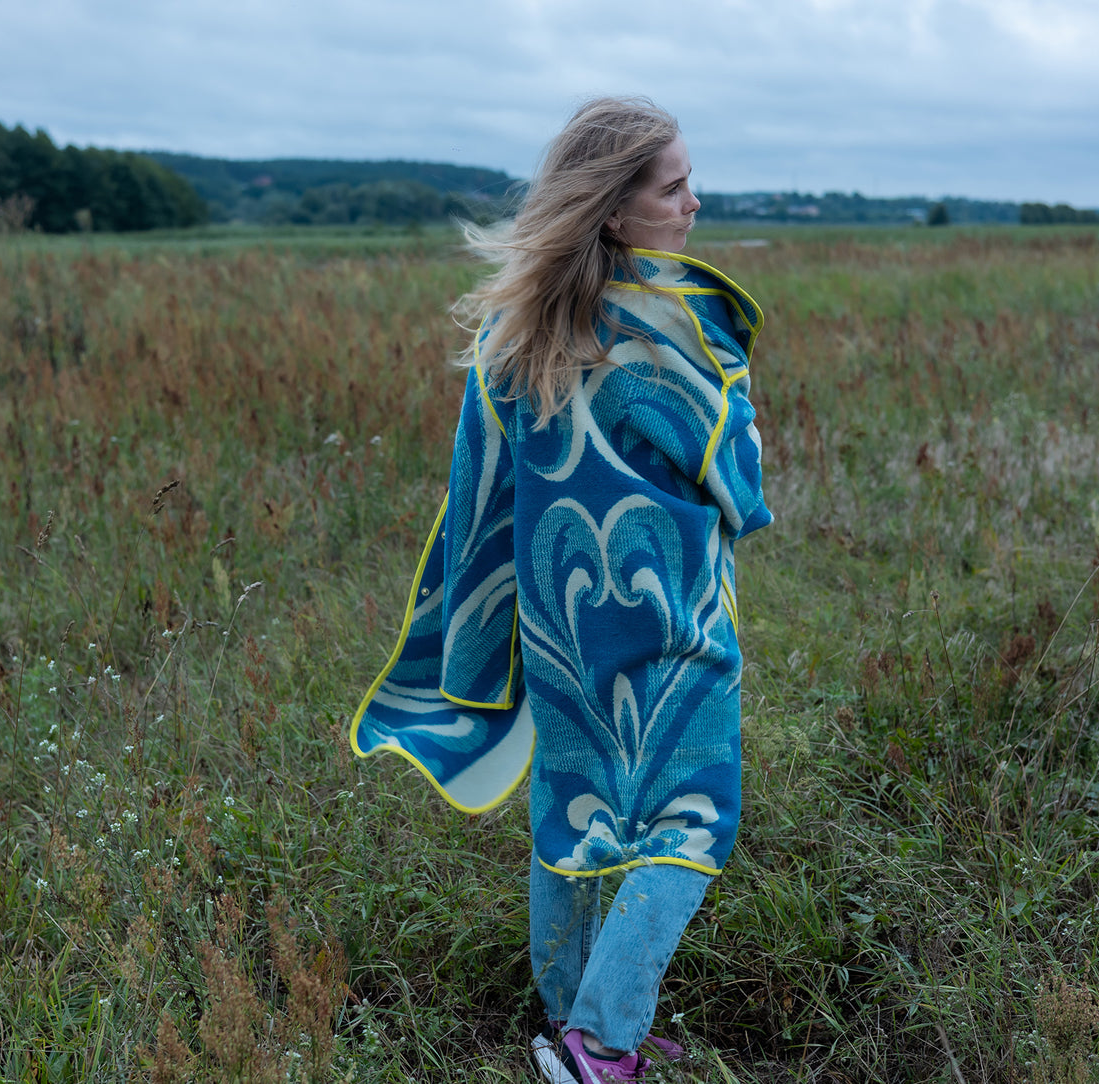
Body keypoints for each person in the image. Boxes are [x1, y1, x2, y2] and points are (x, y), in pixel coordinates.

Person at [350, 96, 772, 1083]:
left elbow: (477, 493)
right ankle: (602, 1040)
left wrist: (482, 627)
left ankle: (565, 1015)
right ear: (614, 210)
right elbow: (738, 486)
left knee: (573, 808)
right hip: (671, 616)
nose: (693, 204)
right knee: (694, 819)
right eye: (673, 189)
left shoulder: (514, 334)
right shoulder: (671, 329)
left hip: (557, 618)